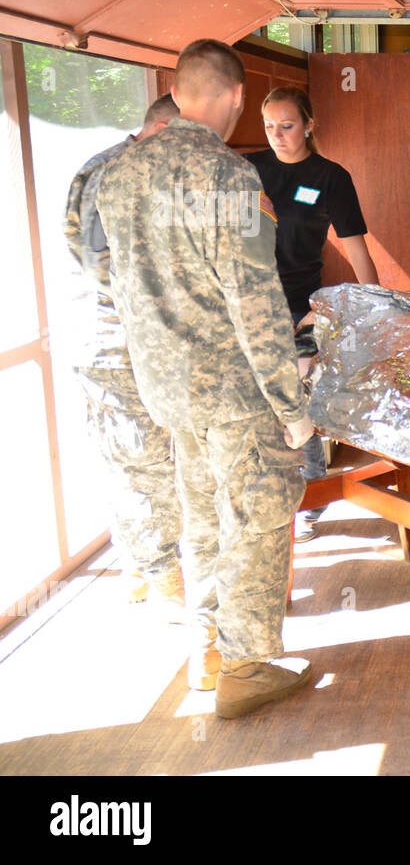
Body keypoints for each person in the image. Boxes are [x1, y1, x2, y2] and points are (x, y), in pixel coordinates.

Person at [97, 38, 315, 718]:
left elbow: (113, 278)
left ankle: (208, 645)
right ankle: (247, 665)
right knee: (255, 513)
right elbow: (255, 301)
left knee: (200, 515)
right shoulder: (227, 177)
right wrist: (291, 402)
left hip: (167, 388)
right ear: (238, 97)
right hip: (232, 387)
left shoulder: (119, 174)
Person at [63, 94, 184, 609]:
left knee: (134, 463)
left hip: (132, 345)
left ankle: (139, 568)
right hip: (119, 347)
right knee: (145, 467)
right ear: (162, 129)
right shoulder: (115, 172)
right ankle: (166, 583)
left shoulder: (120, 166)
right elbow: (103, 266)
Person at [248, 87, 379, 542]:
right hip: (253, 306)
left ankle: (312, 497)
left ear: (308, 125)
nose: (277, 135)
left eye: (287, 125)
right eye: (269, 126)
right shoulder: (250, 170)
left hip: (305, 307)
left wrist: (374, 308)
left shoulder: (330, 177)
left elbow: (357, 247)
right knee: (261, 407)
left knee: (299, 402)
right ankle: (268, 499)